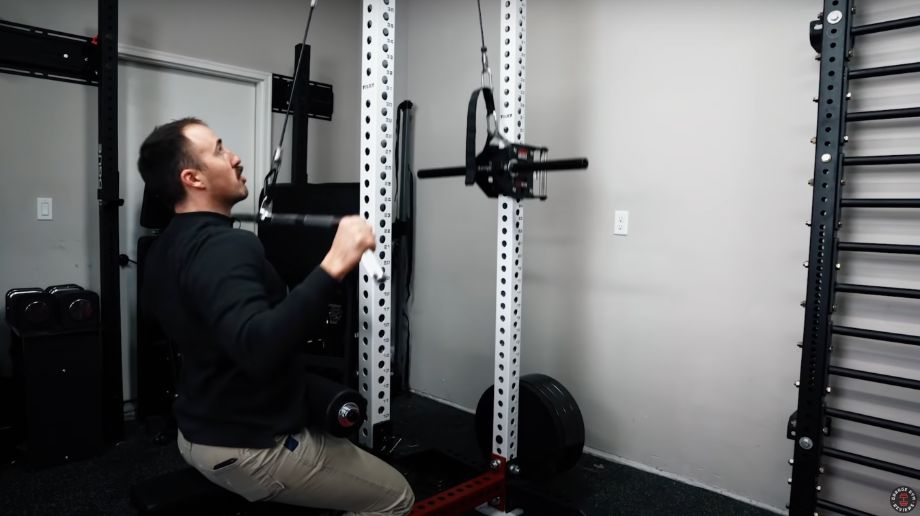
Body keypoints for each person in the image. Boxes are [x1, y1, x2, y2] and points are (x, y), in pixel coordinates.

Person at [138, 117, 414, 515]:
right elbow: (259, 346)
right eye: (218, 150)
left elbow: (168, 317)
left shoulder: (164, 247)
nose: (234, 157)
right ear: (192, 178)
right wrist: (338, 260)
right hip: (250, 446)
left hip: (198, 432)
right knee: (396, 497)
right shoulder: (228, 246)